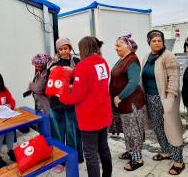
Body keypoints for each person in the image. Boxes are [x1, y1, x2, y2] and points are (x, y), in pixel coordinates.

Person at [59, 36, 112, 177]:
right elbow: (91, 76)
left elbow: (76, 96)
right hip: (103, 113)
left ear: (83, 49)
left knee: (90, 154)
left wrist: (62, 96)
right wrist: (72, 71)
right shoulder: (102, 62)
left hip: (89, 117)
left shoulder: (83, 66)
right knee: (104, 148)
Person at [142, 30, 185, 175]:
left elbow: (174, 79)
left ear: (163, 41)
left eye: (159, 40)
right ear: (149, 42)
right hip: (150, 97)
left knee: (172, 129)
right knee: (158, 127)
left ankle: (178, 160)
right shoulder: (147, 57)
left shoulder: (168, 56)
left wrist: (169, 101)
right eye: (153, 40)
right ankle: (166, 152)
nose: (157, 42)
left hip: (166, 99)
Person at [109, 34, 146, 171]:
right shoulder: (122, 59)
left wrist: (119, 96)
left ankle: (138, 159)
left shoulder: (132, 61)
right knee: (128, 130)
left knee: (134, 132)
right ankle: (130, 152)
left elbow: (134, 82)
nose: (115, 48)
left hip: (131, 103)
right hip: (124, 104)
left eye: (118, 45)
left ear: (128, 46)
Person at [47, 38, 84, 173]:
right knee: (57, 133)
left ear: (70, 48)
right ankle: (60, 161)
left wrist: (70, 85)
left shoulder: (76, 62)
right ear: (58, 50)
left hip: (71, 103)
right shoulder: (52, 63)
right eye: (61, 49)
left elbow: (81, 81)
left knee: (73, 132)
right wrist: (52, 71)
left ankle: (74, 157)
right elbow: (48, 83)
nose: (64, 51)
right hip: (56, 103)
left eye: (66, 48)